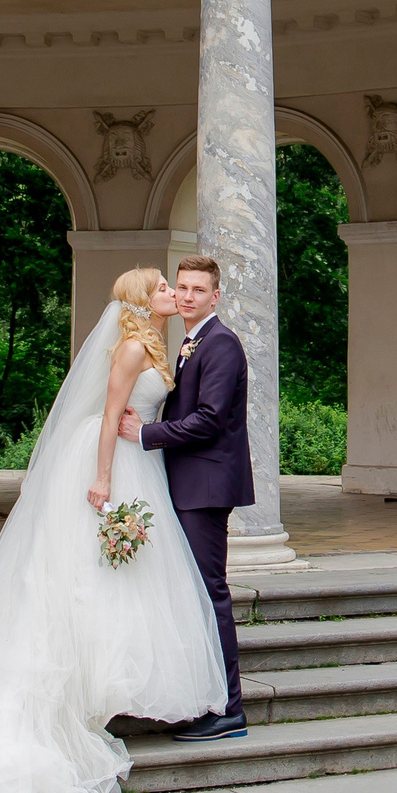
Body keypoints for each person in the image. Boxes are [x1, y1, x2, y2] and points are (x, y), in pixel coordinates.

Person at [0, 268, 226, 793]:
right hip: (112, 461)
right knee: (88, 572)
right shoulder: (131, 348)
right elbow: (109, 415)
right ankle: (75, 694)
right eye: (164, 288)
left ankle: (103, 690)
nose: (173, 293)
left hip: (139, 460)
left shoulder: (153, 344)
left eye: (178, 287)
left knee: (123, 575)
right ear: (145, 300)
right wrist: (102, 478)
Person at [120, 253, 253, 741]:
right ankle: (203, 696)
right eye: (182, 288)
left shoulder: (221, 344)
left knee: (210, 592)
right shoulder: (189, 341)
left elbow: (210, 419)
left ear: (215, 297)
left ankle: (230, 708)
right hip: (186, 481)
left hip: (206, 486)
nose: (187, 296)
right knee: (193, 592)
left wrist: (146, 434)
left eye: (199, 290)